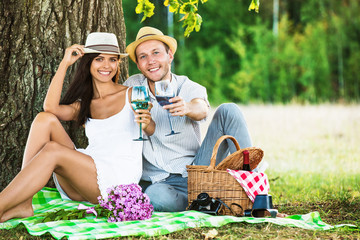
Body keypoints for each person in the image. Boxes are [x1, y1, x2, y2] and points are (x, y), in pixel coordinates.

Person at [0, 32, 155, 223]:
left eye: (112, 60)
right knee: (44, 119)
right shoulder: (86, 104)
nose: (107, 66)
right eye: (99, 59)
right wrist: (65, 63)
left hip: (115, 180)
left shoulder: (132, 94)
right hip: (86, 173)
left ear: (117, 64)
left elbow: (150, 127)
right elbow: (50, 108)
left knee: (52, 150)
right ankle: (24, 202)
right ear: (88, 63)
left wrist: (147, 123)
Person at [123, 26, 252, 212]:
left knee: (228, 110)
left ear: (170, 56)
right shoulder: (133, 85)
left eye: (156, 53)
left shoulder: (187, 86)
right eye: (143, 56)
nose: (150, 61)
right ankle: (205, 202)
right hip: (158, 182)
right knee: (155, 196)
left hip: (195, 171)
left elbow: (202, 109)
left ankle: (257, 195)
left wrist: (188, 107)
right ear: (138, 64)